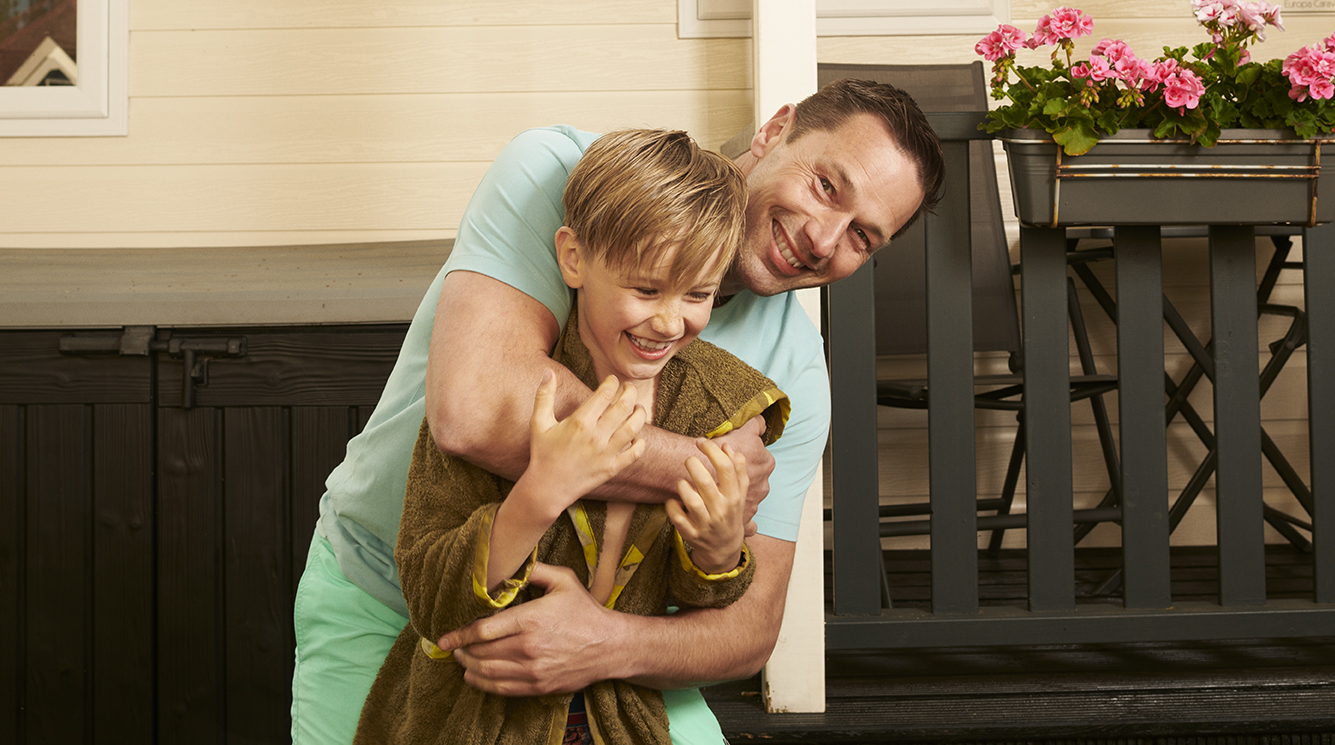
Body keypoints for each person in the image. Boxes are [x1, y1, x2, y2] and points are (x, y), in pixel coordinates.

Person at [293, 79, 944, 745]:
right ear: (775, 129)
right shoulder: (559, 175)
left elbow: (747, 628)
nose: (822, 235)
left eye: (863, 236)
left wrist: (607, 641)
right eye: (828, 186)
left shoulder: (790, 372)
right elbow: (477, 406)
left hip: (599, 647)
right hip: (388, 597)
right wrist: (707, 467)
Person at [354, 129, 787, 744]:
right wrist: (540, 491)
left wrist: (718, 552)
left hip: (618, 719)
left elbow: (700, 599)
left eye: (699, 294)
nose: (670, 321)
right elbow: (433, 606)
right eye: (646, 289)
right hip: (470, 716)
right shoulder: (516, 392)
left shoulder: (719, 408)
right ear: (574, 258)